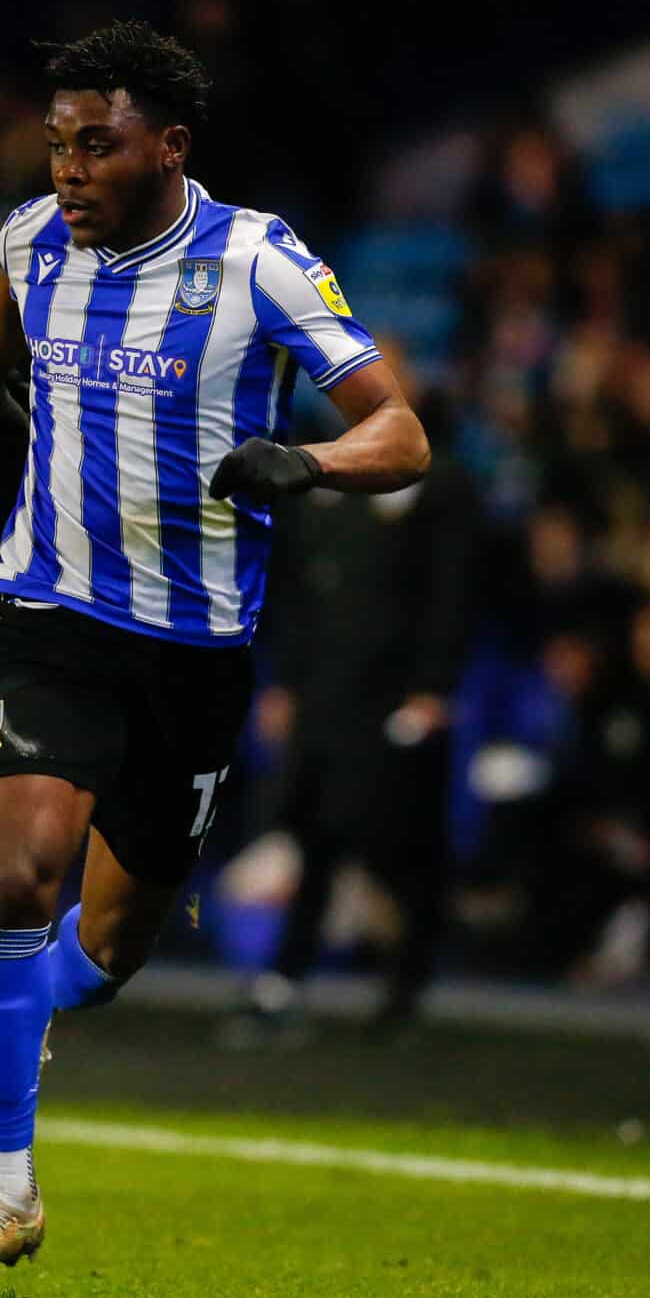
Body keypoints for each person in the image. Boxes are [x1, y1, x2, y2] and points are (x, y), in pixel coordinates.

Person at [0, 22, 430, 1282]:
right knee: (16, 876)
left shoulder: (258, 260)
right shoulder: (26, 241)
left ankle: (10, 1021)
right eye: (55, 144)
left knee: (105, 954)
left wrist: (305, 459)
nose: (66, 169)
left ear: (166, 146)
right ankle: (4, 1188)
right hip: (49, 611)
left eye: (94, 145)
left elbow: (403, 435)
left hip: (194, 648)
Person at [221, 427, 481, 1046]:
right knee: (312, 836)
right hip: (324, 696)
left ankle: (405, 985)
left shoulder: (435, 481)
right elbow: (295, 589)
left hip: (393, 700)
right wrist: (284, 681)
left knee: (396, 844)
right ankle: (285, 980)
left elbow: (452, 588)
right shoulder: (317, 478)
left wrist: (435, 686)